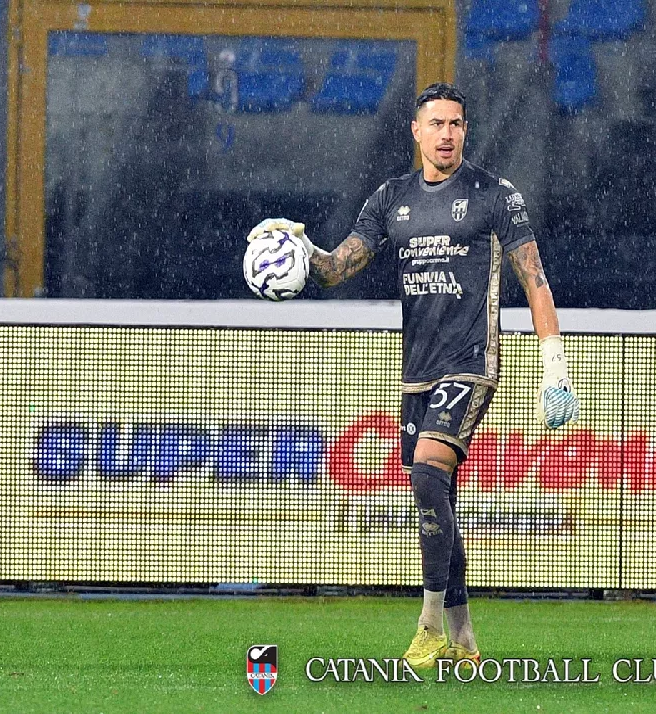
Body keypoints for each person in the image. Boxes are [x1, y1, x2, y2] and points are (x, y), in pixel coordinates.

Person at [246, 82, 580, 668]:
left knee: (428, 468)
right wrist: (297, 246)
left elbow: (534, 277)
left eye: (456, 124)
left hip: (472, 362)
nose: (447, 134)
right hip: (417, 373)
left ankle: (427, 624)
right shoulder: (389, 199)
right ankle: (466, 640)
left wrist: (555, 366)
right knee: (436, 494)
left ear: (464, 131)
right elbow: (335, 268)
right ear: (416, 131)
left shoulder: (494, 195)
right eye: (437, 124)